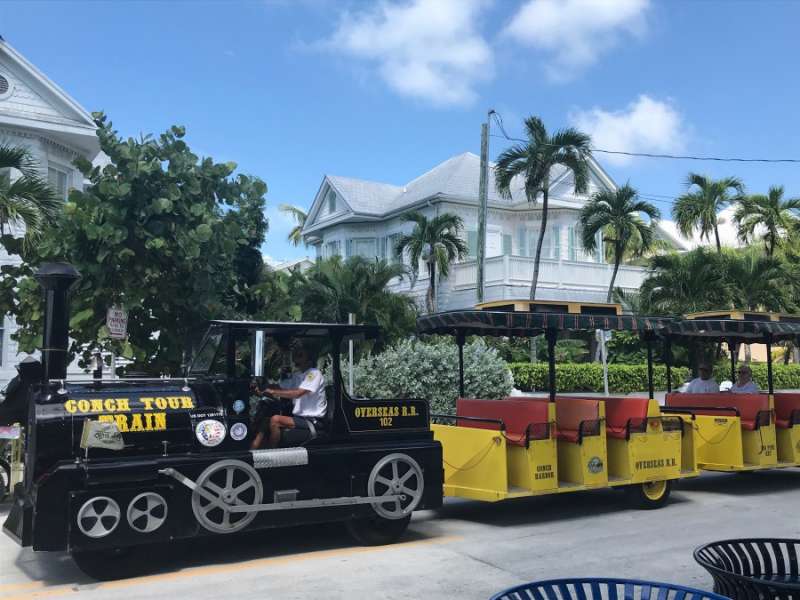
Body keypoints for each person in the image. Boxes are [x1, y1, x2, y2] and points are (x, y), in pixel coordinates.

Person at [250, 344, 326, 449]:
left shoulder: (314, 374)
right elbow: (279, 387)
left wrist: (272, 392)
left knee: (275, 420)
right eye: (295, 355)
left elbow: (297, 393)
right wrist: (262, 388)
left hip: (311, 421)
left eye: (300, 355)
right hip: (299, 418)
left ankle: (271, 456)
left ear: (309, 360)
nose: (295, 358)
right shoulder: (298, 375)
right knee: (265, 421)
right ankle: (252, 451)